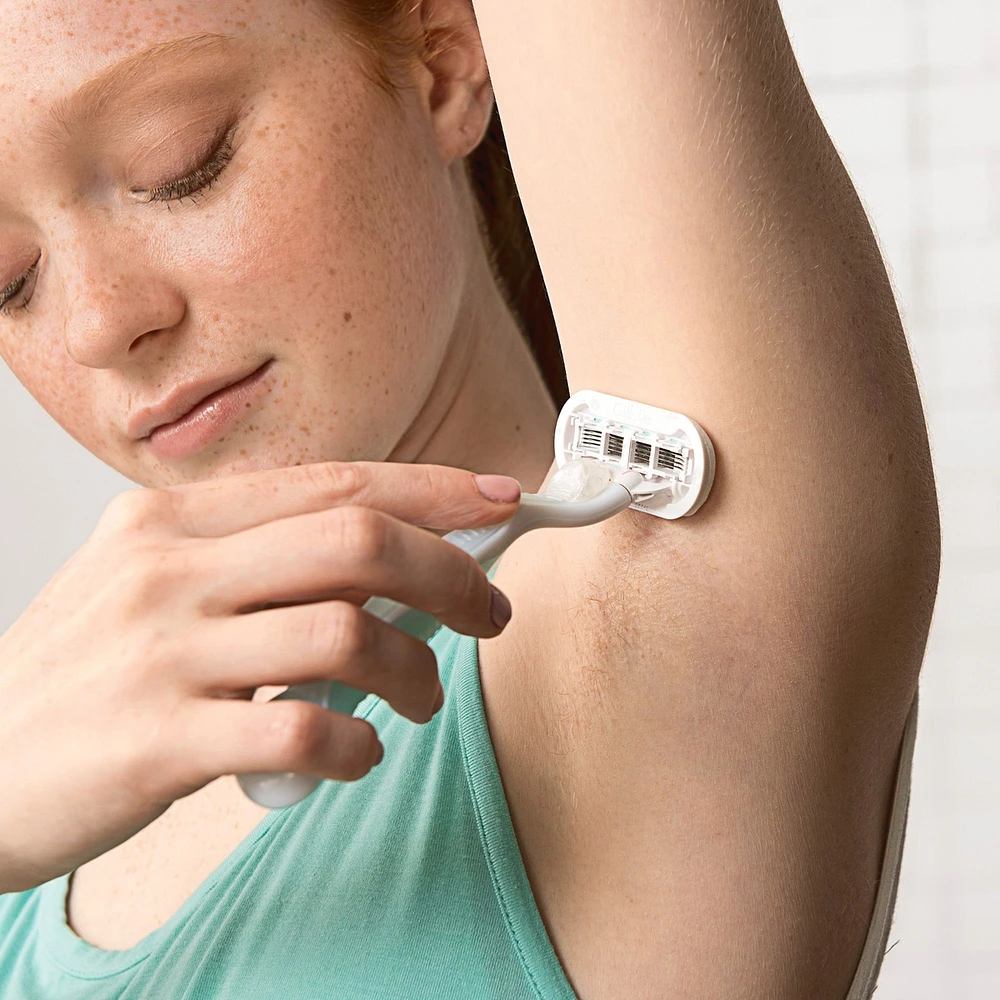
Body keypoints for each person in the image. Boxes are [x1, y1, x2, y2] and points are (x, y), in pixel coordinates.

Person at [0, 1, 940, 998]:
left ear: (443, 62)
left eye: (180, 163)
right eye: (9, 281)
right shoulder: (40, 808)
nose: (98, 324)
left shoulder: (660, 640)